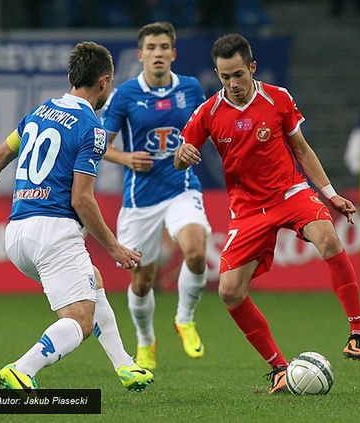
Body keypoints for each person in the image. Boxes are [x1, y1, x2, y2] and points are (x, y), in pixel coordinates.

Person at [174, 34, 360, 394]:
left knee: (327, 238)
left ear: (252, 68)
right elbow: (183, 148)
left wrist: (330, 194)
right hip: (247, 210)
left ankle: (357, 330)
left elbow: (302, 149)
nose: (232, 84)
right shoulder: (209, 112)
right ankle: (279, 367)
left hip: (289, 193)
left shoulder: (278, 98)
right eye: (224, 77)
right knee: (230, 291)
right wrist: (183, 153)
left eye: (238, 75)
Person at [0, 41, 153, 392]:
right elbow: (82, 199)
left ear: (71, 76)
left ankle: (124, 365)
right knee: (78, 317)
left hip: (17, 233)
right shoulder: (91, 128)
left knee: (91, 280)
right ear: (104, 82)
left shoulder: (39, 113)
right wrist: (114, 247)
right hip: (54, 232)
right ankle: (23, 368)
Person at [101, 22, 212, 370]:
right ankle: (146, 341)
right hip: (140, 200)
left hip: (181, 187)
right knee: (142, 280)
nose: (158, 53)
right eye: (151, 47)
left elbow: (209, 127)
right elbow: (102, 144)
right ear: (140, 54)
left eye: (164, 46)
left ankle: (184, 318)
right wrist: (125, 158)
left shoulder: (191, 89)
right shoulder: (125, 94)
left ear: (173, 53)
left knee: (196, 253)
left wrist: (194, 148)